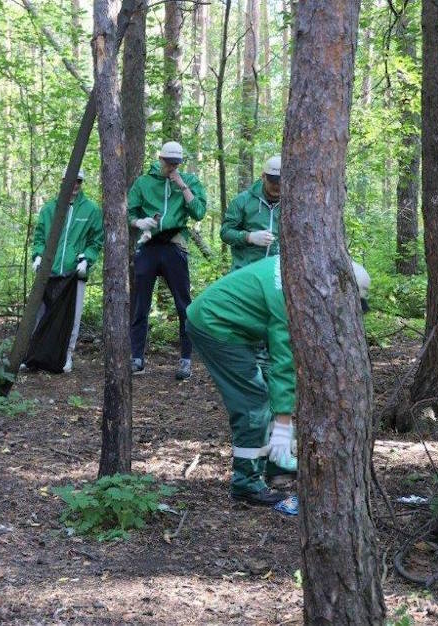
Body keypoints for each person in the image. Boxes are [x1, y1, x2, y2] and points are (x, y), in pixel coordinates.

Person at [185, 255, 371, 506]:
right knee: (253, 401)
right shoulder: (290, 297)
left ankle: (275, 462)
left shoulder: (301, 269)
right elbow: (284, 363)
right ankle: (246, 483)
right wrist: (283, 424)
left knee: (266, 392)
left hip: (240, 327)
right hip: (214, 324)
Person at [128, 140, 207, 380]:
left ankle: (185, 360)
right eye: (168, 162)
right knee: (140, 304)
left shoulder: (189, 181)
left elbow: (199, 212)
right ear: (160, 159)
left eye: (176, 163)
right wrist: (139, 222)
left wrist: (182, 186)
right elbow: (129, 211)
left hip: (174, 245)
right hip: (149, 245)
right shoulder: (144, 182)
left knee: (184, 304)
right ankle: (136, 357)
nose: (172, 167)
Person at [28, 168, 104, 373]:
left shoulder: (91, 210)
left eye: (78, 181)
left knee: (73, 317)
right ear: (63, 181)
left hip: (74, 273)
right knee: (40, 314)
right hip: (49, 271)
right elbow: (40, 237)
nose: (74, 185)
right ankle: (33, 355)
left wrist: (87, 260)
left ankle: (65, 356)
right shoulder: (50, 208)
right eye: (71, 181)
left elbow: (96, 241)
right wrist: (37, 256)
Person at [221, 155, 281, 272]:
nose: (277, 186)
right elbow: (225, 232)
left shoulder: (293, 205)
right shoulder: (243, 201)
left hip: (277, 272)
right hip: (245, 270)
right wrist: (249, 237)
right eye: (273, 181)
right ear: (263, 177)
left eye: (280, 181)